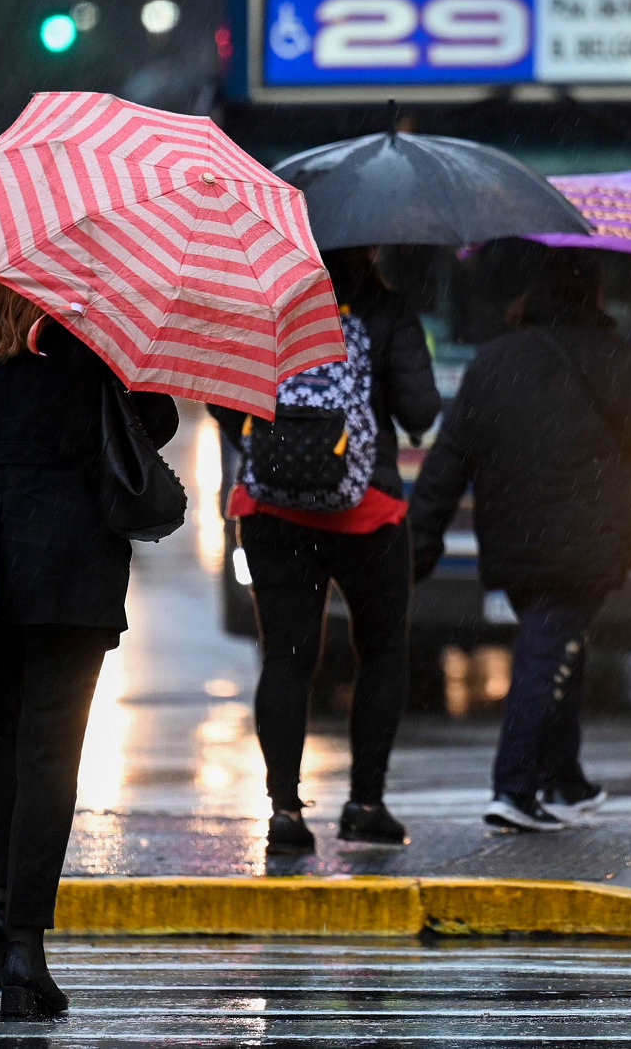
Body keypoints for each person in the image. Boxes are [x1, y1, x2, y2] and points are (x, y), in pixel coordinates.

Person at [0, 219, 178, 1018]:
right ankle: (24, 946)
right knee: (52, 749)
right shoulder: (90, 306)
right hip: (66, 556)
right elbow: (153, 422)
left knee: (14, 735)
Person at [409, 248, 631, 831]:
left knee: (560, 644)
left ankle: (564, 780)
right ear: (590, 292)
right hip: (585, 539)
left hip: (510, 539)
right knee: (548, 651)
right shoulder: (613, 357)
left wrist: (420, 542)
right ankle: (514, 788)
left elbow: (449, 459)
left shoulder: (492, 361)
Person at [209, 247, 442, 855]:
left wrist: (281, 450)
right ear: (368, 247)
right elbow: (420, 410)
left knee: (286, 660)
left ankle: (285, 813)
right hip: (367, 511)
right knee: (382, 652)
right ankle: (365, 804)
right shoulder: (387, 310)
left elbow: (220, 395)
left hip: (271, 512)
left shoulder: (262, 301)